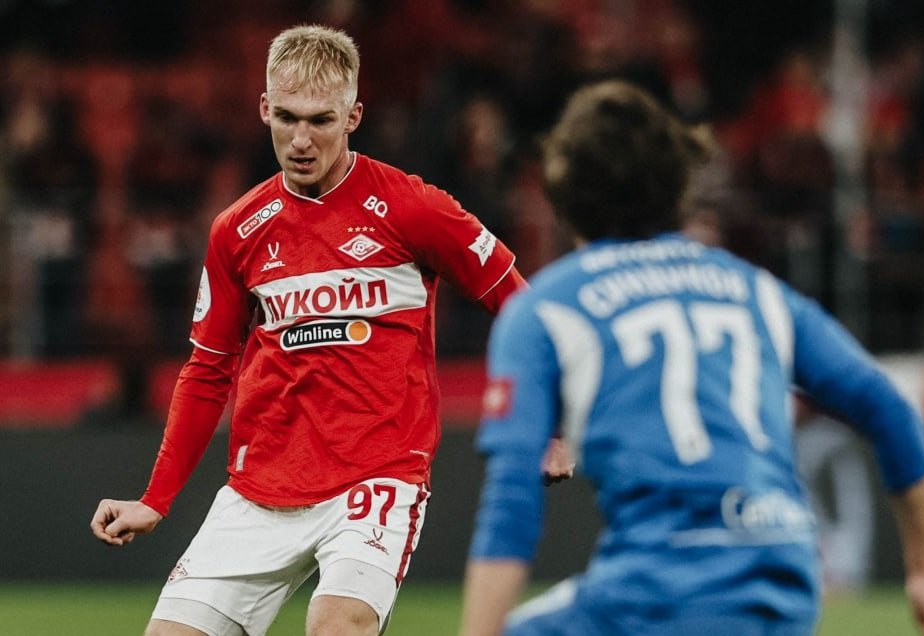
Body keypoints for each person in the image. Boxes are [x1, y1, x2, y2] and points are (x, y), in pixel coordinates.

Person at [90, 25, 569, 636]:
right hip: (259, 488)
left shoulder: (414, 207)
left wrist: (553, 420)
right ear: (264, 108)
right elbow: (208, 369)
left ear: (353, 117)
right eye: (287, 118)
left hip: (376, 480)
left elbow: (522, 307)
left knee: (337, 626)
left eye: (321, 120)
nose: (301, 140)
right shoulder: (237, 230)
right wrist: (155, 498)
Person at [459, 80, 924, 636]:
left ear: (563, 193)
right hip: (782, 582)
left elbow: (513, 497)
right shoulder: (756, 290)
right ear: (677, 184)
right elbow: (890, 409)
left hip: (657, 591)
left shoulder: (546, 308)